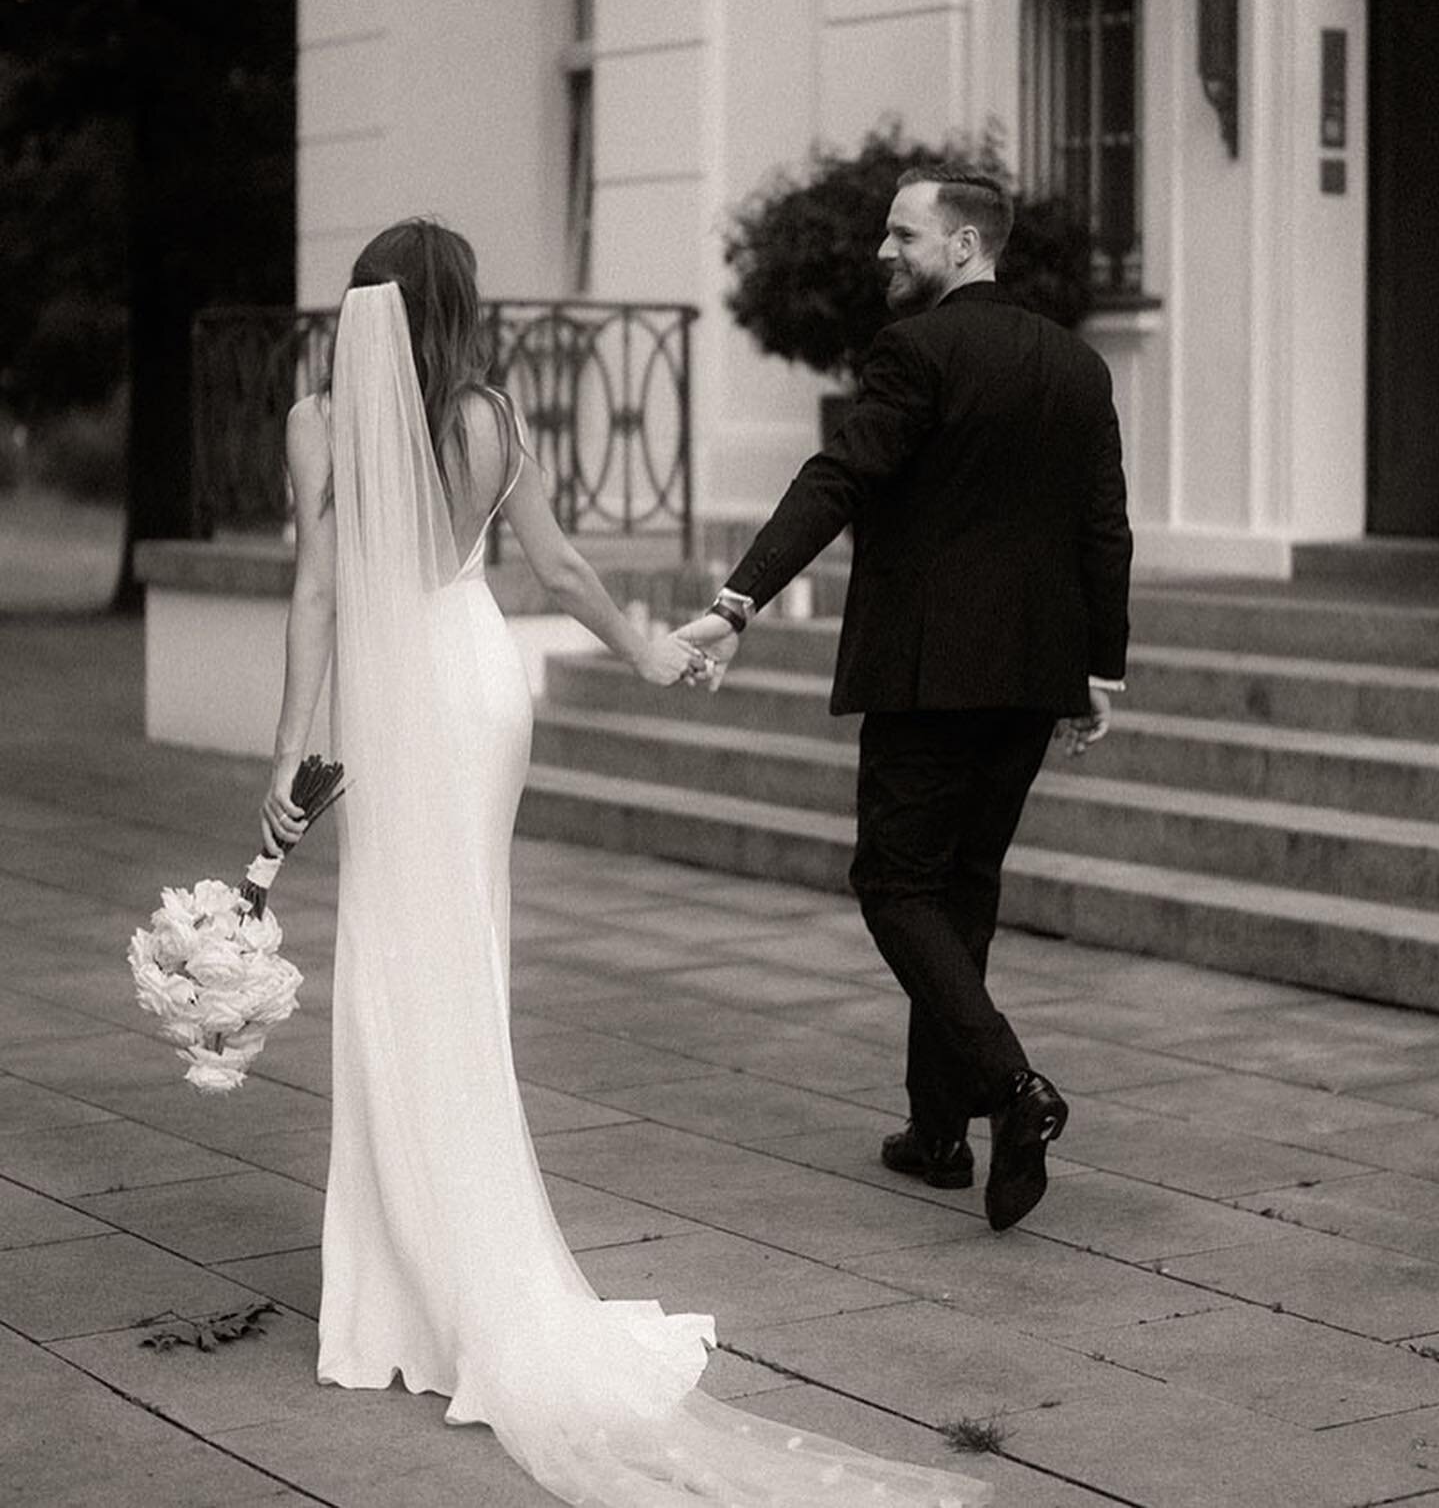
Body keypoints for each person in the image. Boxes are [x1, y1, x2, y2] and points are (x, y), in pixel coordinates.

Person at [259, 218, 991, 1508]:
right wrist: (653, 649)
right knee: (461, 956)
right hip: (478, 682)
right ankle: (444, 1255)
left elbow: (319, 595)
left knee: (396, 955)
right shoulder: (489, 414)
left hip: (392, 698)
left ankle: (405, 1280)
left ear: (363, 305)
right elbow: (557, 564)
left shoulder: (317, 421)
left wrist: (285, 762)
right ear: (457, 309)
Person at [678, 166, 1132, 1234]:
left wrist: (737, 600)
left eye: (903, 235)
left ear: (966, 246)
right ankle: (937, 1134)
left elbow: (838, 477)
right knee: (961, 888)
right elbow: (1103, 525)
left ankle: (1016, 1088)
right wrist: (1099, 668)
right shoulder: (1078, 364)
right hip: (1033, 671)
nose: (883, 252)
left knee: (894, 881)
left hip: (931, 673)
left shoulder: (916, 351)